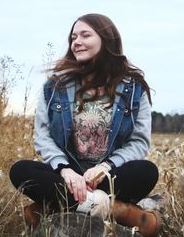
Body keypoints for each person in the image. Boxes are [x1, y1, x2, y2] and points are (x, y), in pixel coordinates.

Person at [9, 13, 161, 236]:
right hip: (64, 178)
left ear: (106, 39)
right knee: (21, 170)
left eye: (85, 35)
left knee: (146, 171)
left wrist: (105, 168)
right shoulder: (54, 87)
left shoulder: (133, 88)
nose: (76, 42)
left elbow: (138, 143)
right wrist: (66, 171)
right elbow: (43, 136)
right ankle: (119, 210)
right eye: (73, 37)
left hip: (111, 177)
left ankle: (48, 207)